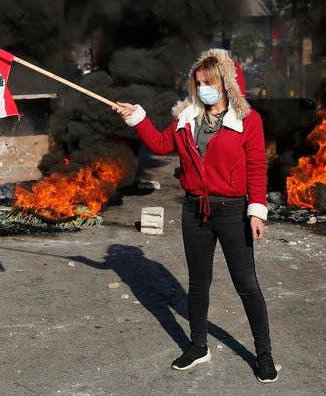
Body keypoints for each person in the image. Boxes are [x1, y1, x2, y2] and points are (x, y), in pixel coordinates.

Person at [113, 48, 278, 383]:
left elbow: (257, 167)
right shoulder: (187, 116)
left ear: (226, 83)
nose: (203, 87)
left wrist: (256, 212)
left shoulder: (248, 120)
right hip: (195, 211)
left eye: (209, 82)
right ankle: (198, 346)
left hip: (232, 212)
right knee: (198, 284)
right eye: (199, 82)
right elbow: (161, 145)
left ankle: (264, 355)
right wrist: (137, 118)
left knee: (246, 284)